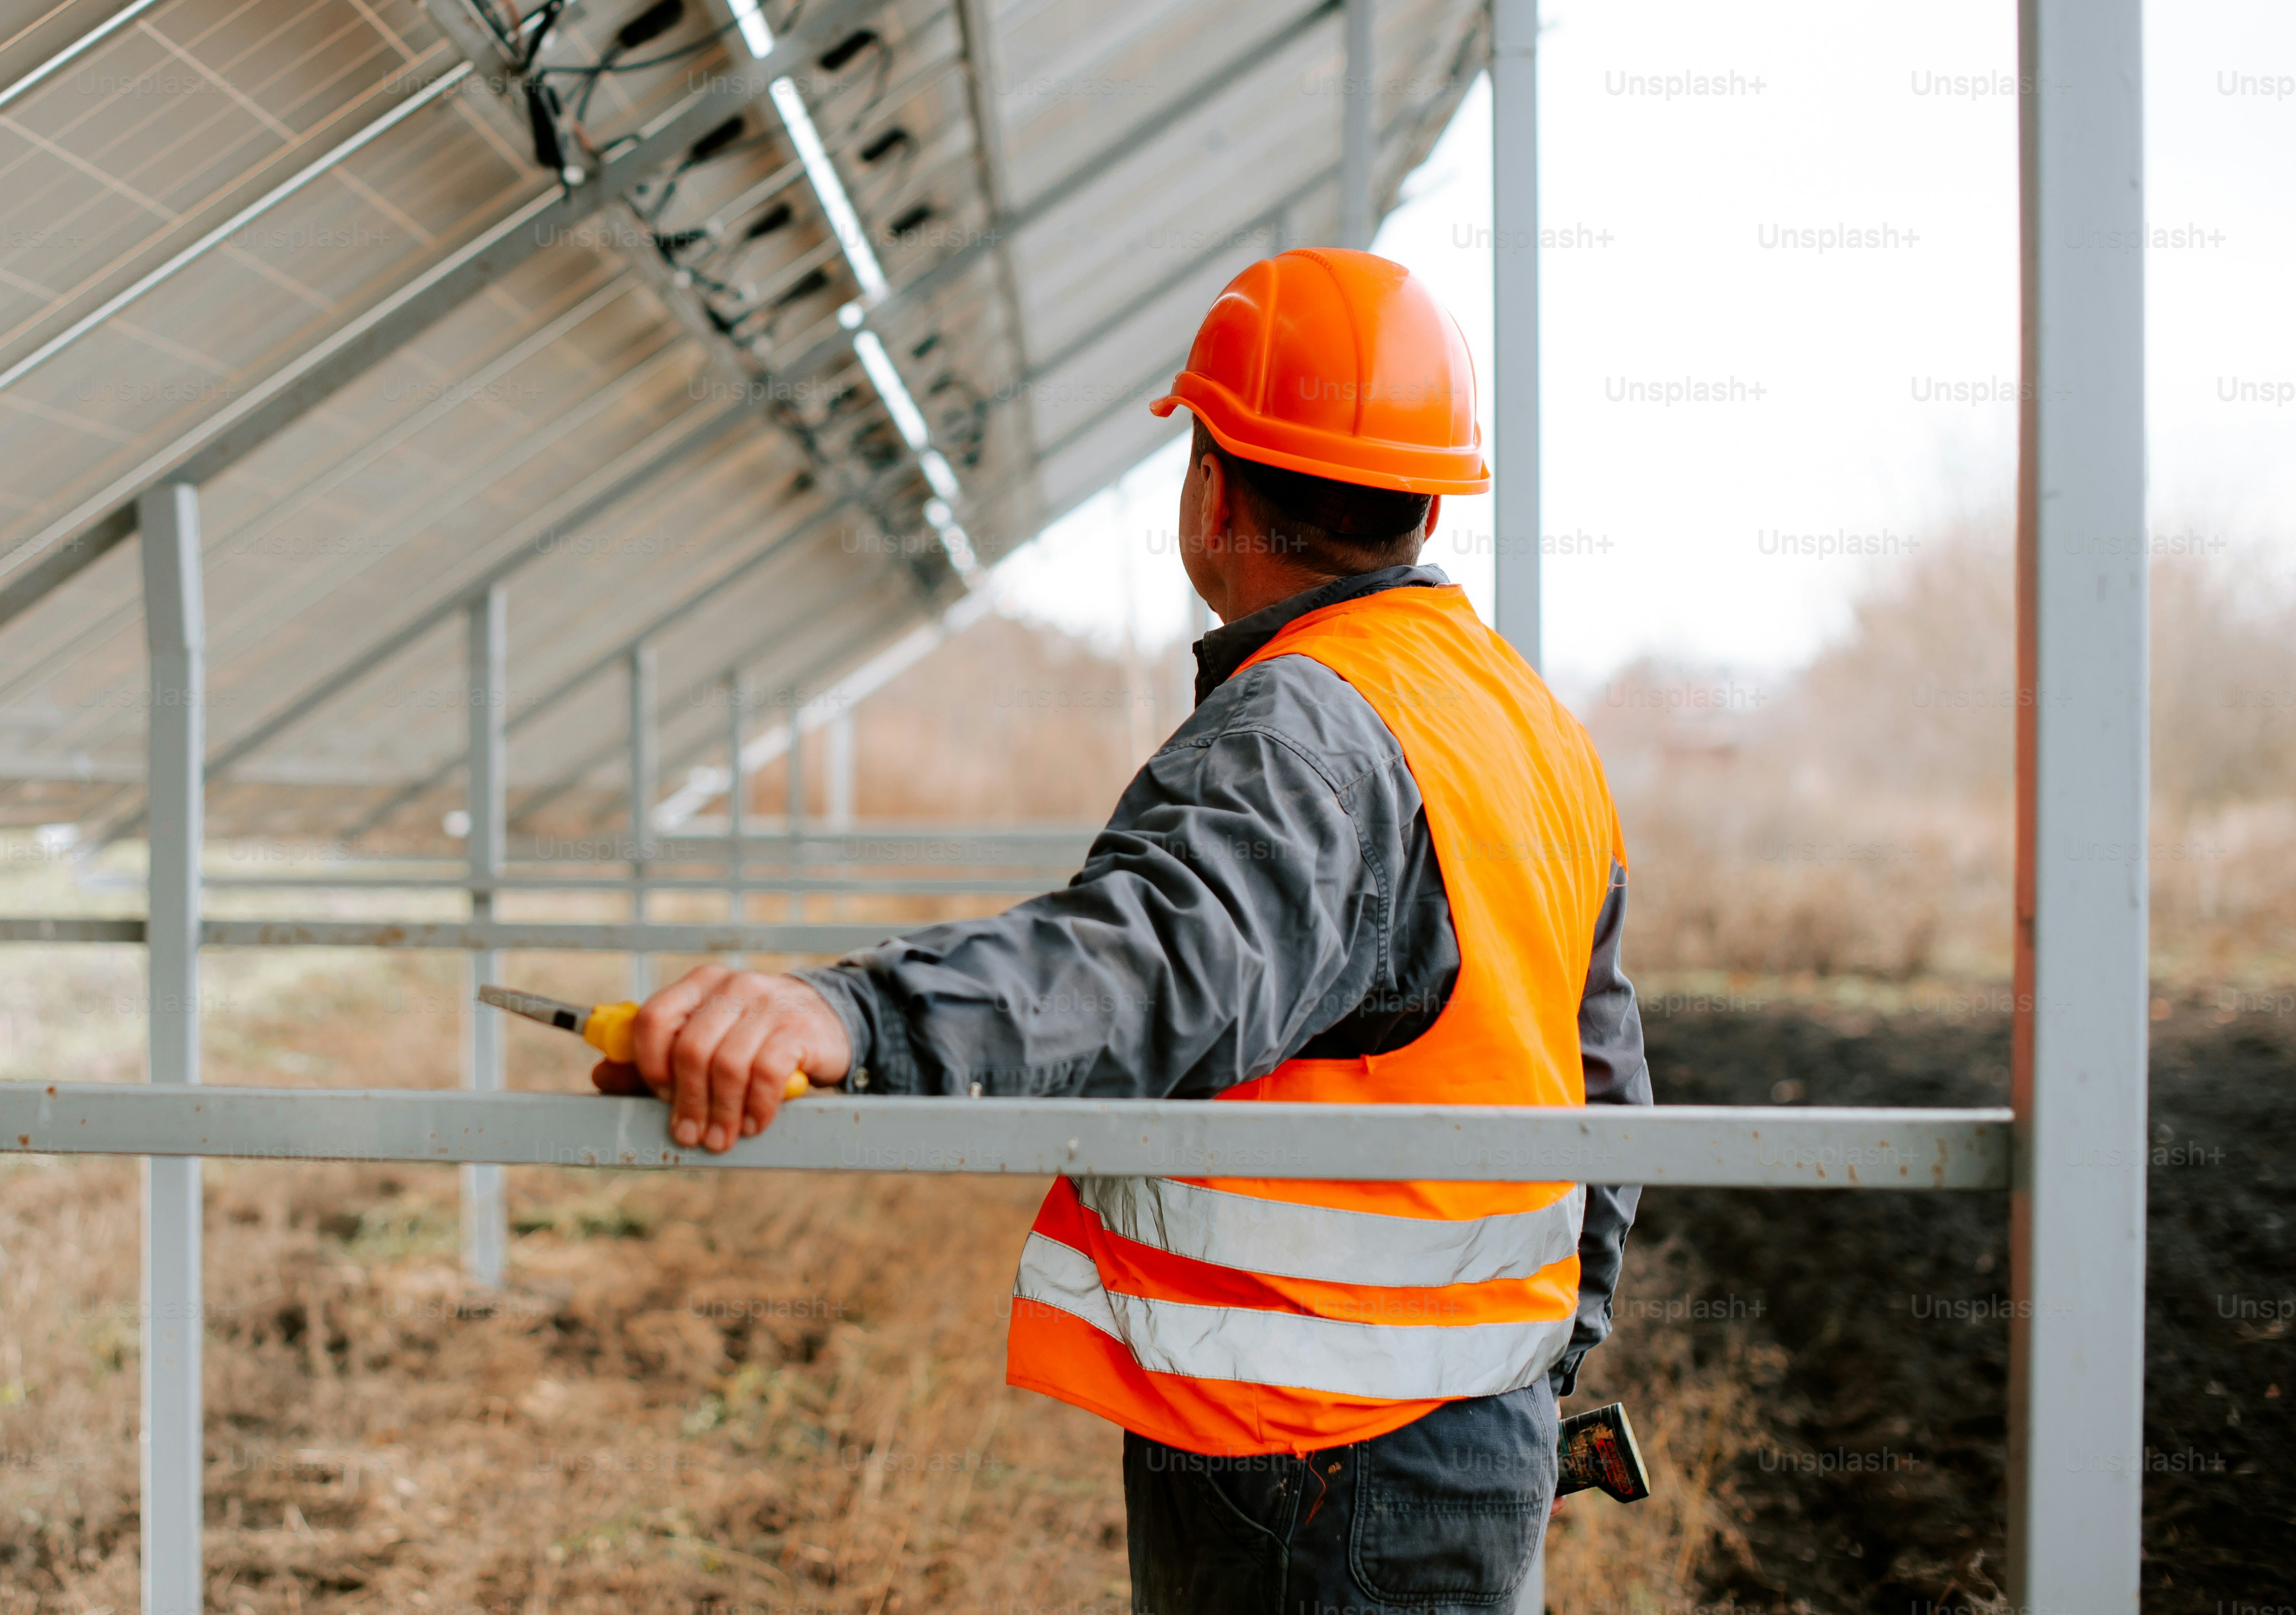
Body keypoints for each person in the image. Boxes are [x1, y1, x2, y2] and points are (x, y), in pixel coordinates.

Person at [607, 247, 1648, 1613]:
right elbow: (1606, 1097)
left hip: (1311, 1447)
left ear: (1212, 483)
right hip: (1470, 1430)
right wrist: (1541, 1369)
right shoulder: (1519, 719)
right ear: (1424, 500)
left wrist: (858, 1017)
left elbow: (1149, 966)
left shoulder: (1309, 723)